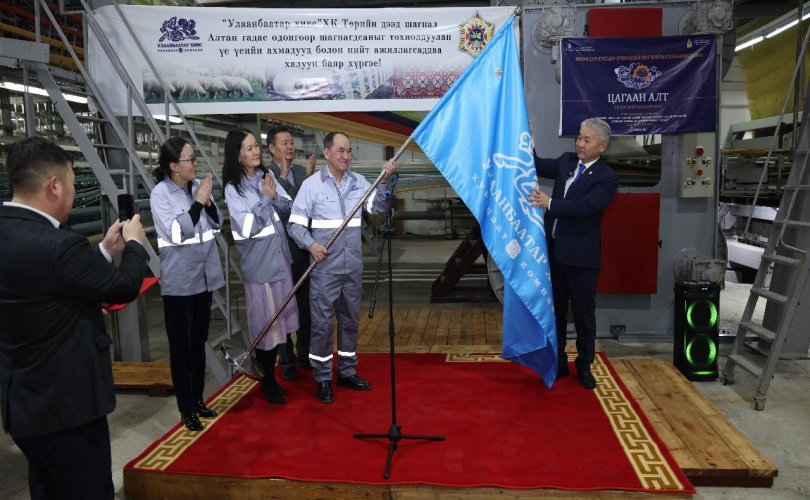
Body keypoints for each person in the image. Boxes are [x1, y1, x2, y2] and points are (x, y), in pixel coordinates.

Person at [0, 137, 149, 499]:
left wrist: (101, 251)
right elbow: (122, 286)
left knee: (47, 488)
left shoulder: (12, 230)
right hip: (68, 407)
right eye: (69, 182)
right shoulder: (57, 245)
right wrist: (134, 245)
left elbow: (46, 286)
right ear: (53, 186)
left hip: (24, 406)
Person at [287, 132, 396, 403]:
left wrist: (383, 183)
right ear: (326, 153)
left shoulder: (359, 183)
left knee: (350, 321)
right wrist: (311, 246)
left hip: (353, 268)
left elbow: (379, 209)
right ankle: (323, 377)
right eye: (340, 151)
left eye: (349, 151)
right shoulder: (312, 186)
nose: (346, 156)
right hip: (324, 270)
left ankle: (347, 371)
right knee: (322, 325)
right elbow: (295, 225)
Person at [528, 117, 618, 390]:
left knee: (583, 315)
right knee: (555, 311)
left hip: (581, 258)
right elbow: (538, 165)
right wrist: (527, 139)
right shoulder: (567, 161)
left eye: (586, 140)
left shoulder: (607, 177)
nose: (580, 143)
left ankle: (584, 365)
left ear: (601, 146)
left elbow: (585, 207)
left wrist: (550, 203)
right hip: (555, 252)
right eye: (579, 137)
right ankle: (557, 361)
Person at [150, 137, 225, 431]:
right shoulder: (161, 195)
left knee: (197, 344)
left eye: (195, 159)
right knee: (181, 349)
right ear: (173, 166)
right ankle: (186, 408)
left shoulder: (197, 188)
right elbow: (177, 232)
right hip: (180, 284)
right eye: (190, 159)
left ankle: (197, 400)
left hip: (204, 280)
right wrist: (197, 203)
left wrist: (204, 202)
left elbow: (217, 221)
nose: (195, 164)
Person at [222, 128, 298, 404]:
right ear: (237, 155)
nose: (256, 152)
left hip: (280, 261)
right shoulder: (234, 189)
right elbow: (248, 227)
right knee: (267, 326)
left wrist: (274, 195)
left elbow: (289, 208)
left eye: (256, 146)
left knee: (280, 326)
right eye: (249, 148)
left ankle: (271, 377)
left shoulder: (266, 178)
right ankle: (266, 381)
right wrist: (267, 199)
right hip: (261, 267)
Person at [266, 126, 316, 381]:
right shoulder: (267, 177)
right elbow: (281, 212)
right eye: (284, 143)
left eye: (291, 143)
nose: (290, 147)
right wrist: (285, 178)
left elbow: (307, 208)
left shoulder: (302, 172)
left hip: (304, 251)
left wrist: (307, 181)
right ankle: (286, 359)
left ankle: (305, 354)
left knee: (307, 306)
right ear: (272, 148)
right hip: (281, 253)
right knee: (285, 307)